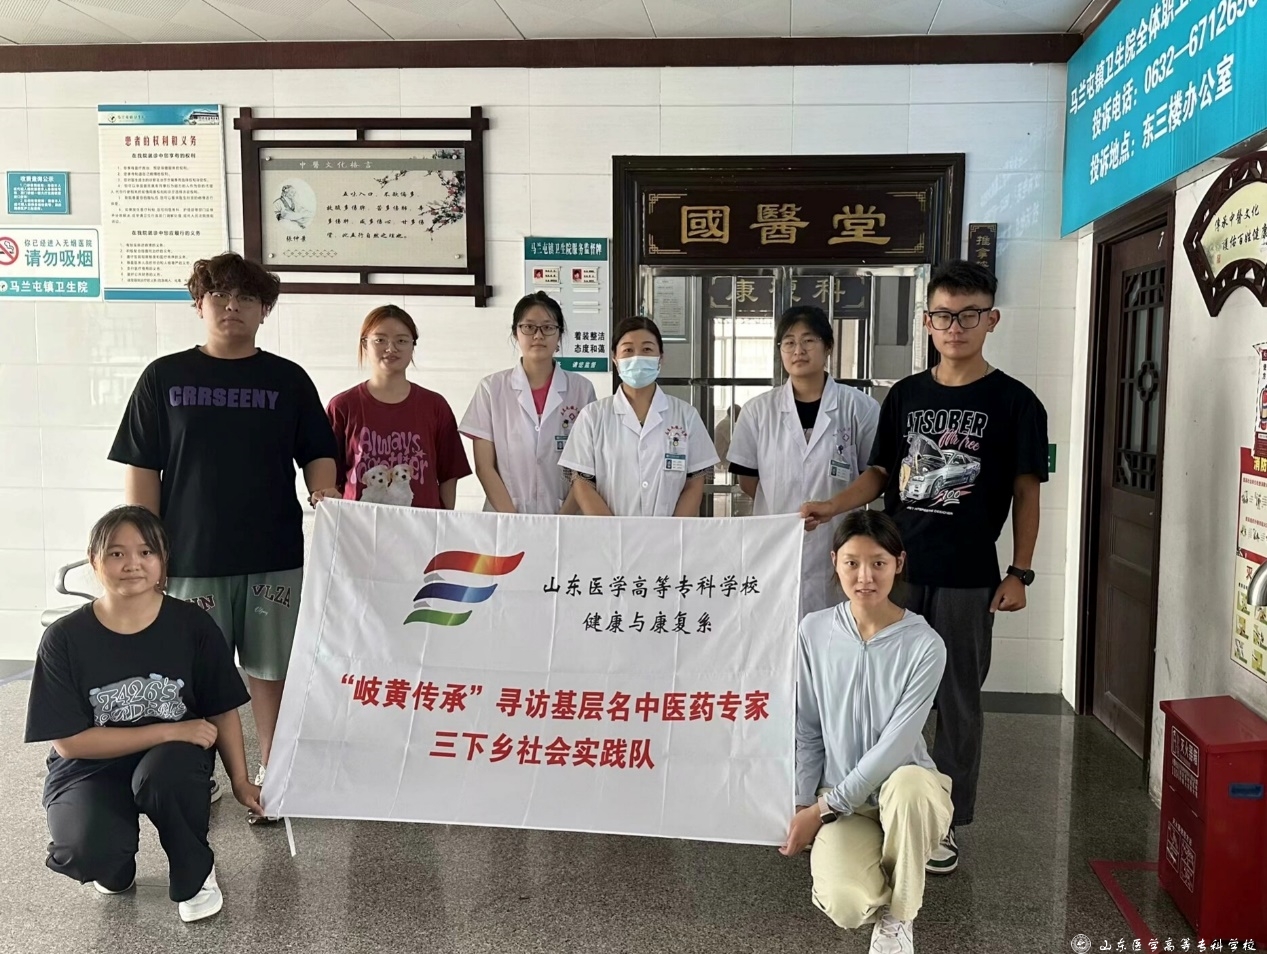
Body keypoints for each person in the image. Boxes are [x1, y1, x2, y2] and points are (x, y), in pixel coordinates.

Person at [801, 260, 1049, 873]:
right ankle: (878, 799)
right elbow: (882, 474)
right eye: (943, 315)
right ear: (927, 321)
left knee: (958, 701)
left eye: (968, 315)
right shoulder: (906, 395)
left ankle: (944, 822)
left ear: (991, 319)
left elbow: (1027, 492)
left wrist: (1020, 572)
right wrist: (832, 506)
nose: (955, 327)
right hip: (897, 572)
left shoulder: (1017, 402)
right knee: (884, 697)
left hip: (969, 575)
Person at [109, 252, 338, 813]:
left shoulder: (287, 379)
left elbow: (318, 451)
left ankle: (275, 773)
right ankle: (198, 773)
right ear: (199, 305)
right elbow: (142, 467)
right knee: (194, 676)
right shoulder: (164, 377)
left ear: (264, 310)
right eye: (219, 295)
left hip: (273, 555)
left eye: (246, 297)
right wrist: (146, 553)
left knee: (271, 672)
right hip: (190, 558)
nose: (232, 306)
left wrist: (324, 490)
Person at [24, 506, 264, 923]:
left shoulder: (193, 626)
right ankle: (113, 865)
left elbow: (222, 709)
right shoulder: (64, 638)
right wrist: (170, 730)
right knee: (86, 850)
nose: (132, 564)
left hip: (172, 762)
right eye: (116, 553)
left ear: (162, 559)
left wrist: (241, 782)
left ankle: (195, 873)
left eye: (146, 552)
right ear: (94, 560)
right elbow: (71, 742)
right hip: (91, 764)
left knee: (166, 775)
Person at [780, 510, 952, 954]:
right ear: (834, 562)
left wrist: (823, 809)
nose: (865, 577)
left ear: (899, 563)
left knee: (908, 787)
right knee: (846, 904)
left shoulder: (925, 645)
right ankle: (885, 872)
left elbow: (897, 745)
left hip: (907, 791)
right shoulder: (814, 630)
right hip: (843, 802)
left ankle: (900, 918)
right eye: (852, 562)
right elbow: (808, 726)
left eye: (878, 563)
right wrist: (803, 801)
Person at [728, 306, 880, 615]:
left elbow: (875, 475)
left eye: (809, 340)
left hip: (840, 539)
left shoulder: (859, 407)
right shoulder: (758, 411)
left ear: (828, 347)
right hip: (776, 542)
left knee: (836, 626)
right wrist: (783, 505)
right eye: (789, 342)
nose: (798, 350)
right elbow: (748, 480)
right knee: (775, 624)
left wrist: (832, 506)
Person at [314, 305, 472, 509]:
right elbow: (329, 473)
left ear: (413, 346)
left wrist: (444, 520)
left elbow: (448, 474)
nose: (391, 348)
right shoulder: (342, 406)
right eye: (380, 340)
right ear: (364, 344)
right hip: (360, 524)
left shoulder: (435, 406)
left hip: (421, 524)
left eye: (401, 340)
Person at [558, 316, 719, 516]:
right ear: (615, 359)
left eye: (647, 349)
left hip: (669, 532)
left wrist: (673, 530)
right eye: (628, 350)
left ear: (661, 358)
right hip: (609, 533)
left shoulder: (686, 415)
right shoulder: (592, 416)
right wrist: (614, 530)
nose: (637, 358)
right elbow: (582, 483)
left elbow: (694, 483)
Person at [458, 292, 596, 514]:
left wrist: (560, 521)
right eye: (529, 327)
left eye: (548, 327)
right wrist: (514, 521)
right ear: (515, 333)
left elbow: (585, 467)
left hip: (566, 517)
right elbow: (485, 467)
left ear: (559, 336)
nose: (538, 335)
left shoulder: (582, 390)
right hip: (505, 517)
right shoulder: (491, 389)